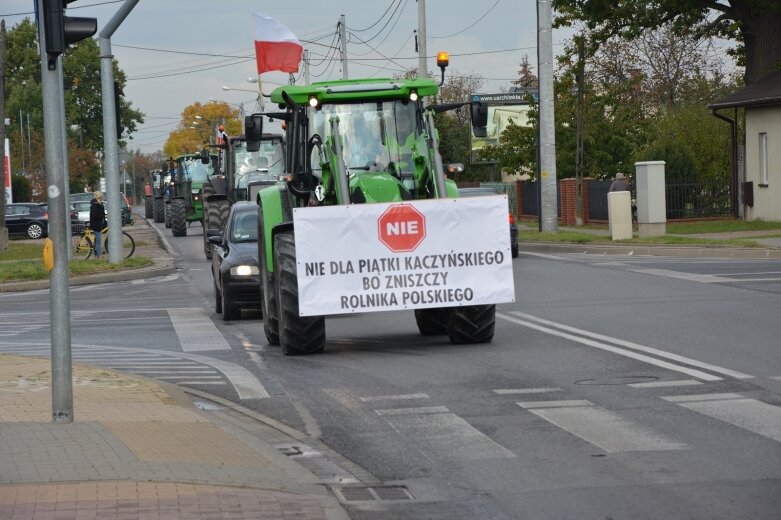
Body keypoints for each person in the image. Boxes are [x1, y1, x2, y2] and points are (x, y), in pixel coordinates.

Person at [89, 191, 106, 259]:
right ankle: (99, 256)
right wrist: (101, 216)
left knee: (97, 241)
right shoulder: (95, 204)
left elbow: (101, 214)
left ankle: (96, 256)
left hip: (99, 224)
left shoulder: (100, 203)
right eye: (102, 196)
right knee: (98, 241)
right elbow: (95, 215)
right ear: (100, 196)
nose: (103, 197)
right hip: (96, 225)